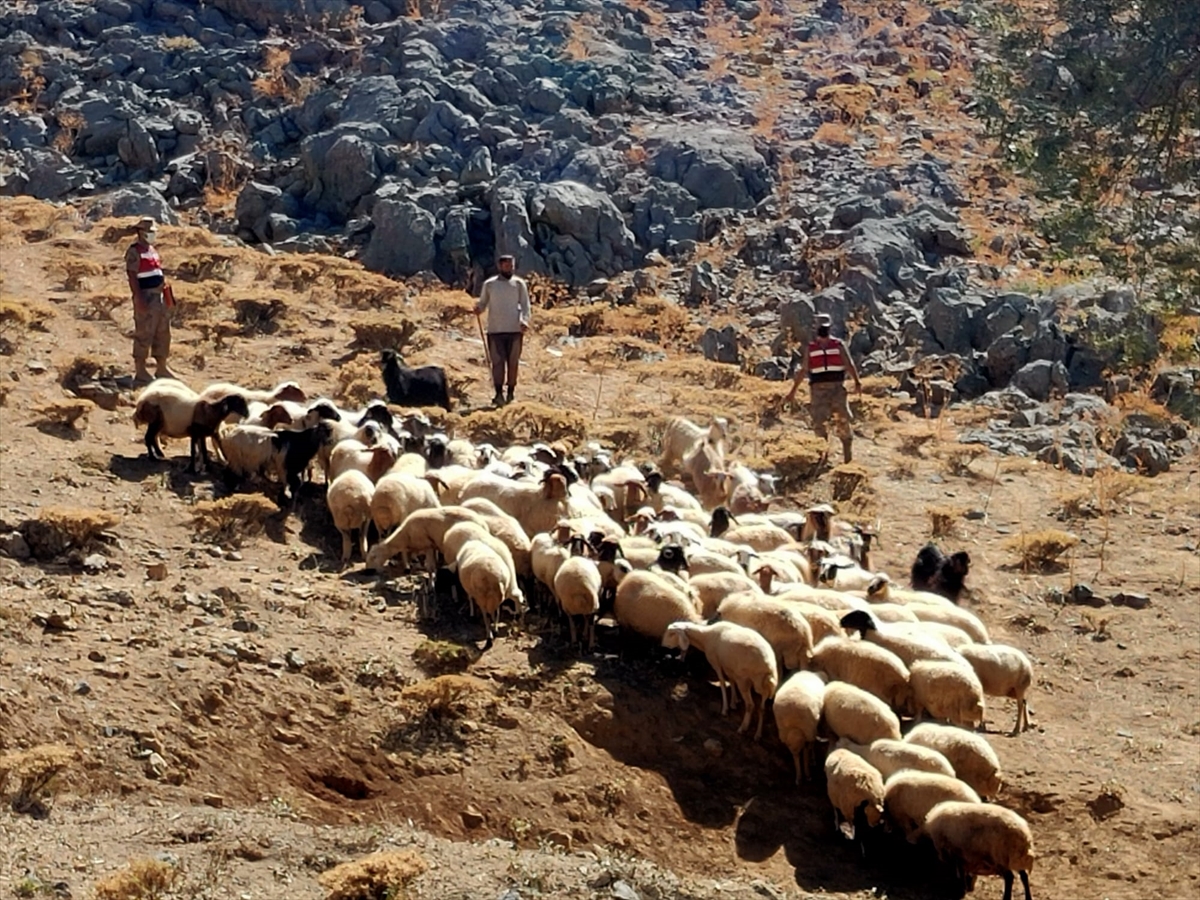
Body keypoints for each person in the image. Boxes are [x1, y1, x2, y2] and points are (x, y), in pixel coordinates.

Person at [784, 312, 862, 462]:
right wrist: (792, 391)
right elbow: (804, 370)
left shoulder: (838, 345)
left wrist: (857, 382)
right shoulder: (811, 348)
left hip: (837, 389)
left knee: (843, 420)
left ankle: (848, 458)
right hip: (818, 391)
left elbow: (849, 364)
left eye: (825, 327)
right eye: (820, 327)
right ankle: (822, 458)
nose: (822, 329)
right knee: (819, 423)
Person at [474, 254, 531, 406]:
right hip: (495, 330)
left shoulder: (519, 284)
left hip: (515, 330)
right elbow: (483, 302)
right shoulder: (490, 284)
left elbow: (526, 305)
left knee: (513, 362)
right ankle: (498, 394)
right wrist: (478, 309)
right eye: (507, 265)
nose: (510, 268)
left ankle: (511, 393)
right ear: (500, 266)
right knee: (497, 362)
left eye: (511, 265)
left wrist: (525, 321)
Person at [124, 216, 175, 385]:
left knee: (162, 331)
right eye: (148, 232)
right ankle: (140, 370)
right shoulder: (134, 251)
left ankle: (162, 367)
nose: (151, 235)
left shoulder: (152, 249)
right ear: (140, 232)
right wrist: (138, 298)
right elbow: (132, 276)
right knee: (144, 332)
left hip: (159, 295)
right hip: (146, 295)